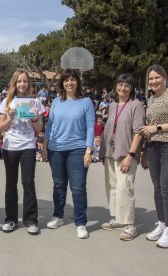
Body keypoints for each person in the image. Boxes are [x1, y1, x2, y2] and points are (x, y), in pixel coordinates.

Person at [43, 68, 95, 239]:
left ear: (77, 82)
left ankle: (80, 223)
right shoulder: (57, 102)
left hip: (78, 150)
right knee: (58, 185)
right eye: (66, 80)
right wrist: (45, 145)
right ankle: (58, 216)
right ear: (62, 83)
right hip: (56, 149)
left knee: (78, 188)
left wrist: (89, 150)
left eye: (72, 79)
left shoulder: (86, 102)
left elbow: (90, 127)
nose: (69, 83)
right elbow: (50, 126)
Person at [0, 69, 44, 235]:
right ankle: (10, 219)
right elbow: (0, 128)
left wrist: (35, 119)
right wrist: (9, 118)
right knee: (11, 183)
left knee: (28, 182)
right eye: (19, 81)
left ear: (28, 83)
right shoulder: (6, 102)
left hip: (28, 145)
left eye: (25, 81)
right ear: (14, 83)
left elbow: (39, 128)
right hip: (10, 146)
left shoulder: (35, 102)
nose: (22, 84)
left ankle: (31, 220)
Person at [99, 74, 145, 241]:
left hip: (126, 153)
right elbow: (108, 129)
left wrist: (131, 155)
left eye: (126, 85)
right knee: (112, 186)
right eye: (120, 84)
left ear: (131, 88)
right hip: (110, 152)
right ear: (115, 86)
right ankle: (118, 218)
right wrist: (103, 152)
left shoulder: (136, 105)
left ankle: (129, 224)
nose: (122, 88)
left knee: (125, 187)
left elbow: (138, 132)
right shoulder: (112, 106)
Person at [139, 65, 168, 248]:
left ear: (165, 77)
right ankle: (161, 223)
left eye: (156, 77)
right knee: (157, 187)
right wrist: (145, 150)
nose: (153, 81)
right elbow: (148, 125)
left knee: (167, 188)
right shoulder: (151, 99)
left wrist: (158, 128)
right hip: (153, 145)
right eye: (150, 79)